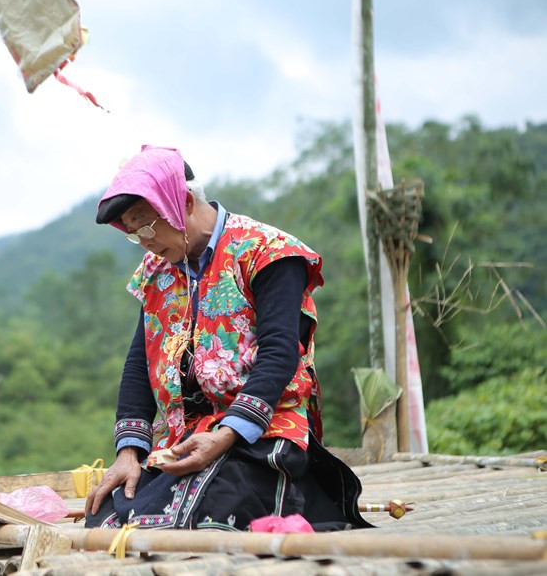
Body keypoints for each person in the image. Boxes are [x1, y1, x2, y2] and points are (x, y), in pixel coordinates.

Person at [85, 145, 371, 532]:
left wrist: (226, 435)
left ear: (184, 203)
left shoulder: (268, 253)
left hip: (261, 431)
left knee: (209, 515)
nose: (146, 242)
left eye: (147, 227)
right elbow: (140, 362)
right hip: (186, 437)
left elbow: (279, 354)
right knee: (107, 513)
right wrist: (128, 453)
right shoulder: (157, 270)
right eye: (135, 235)